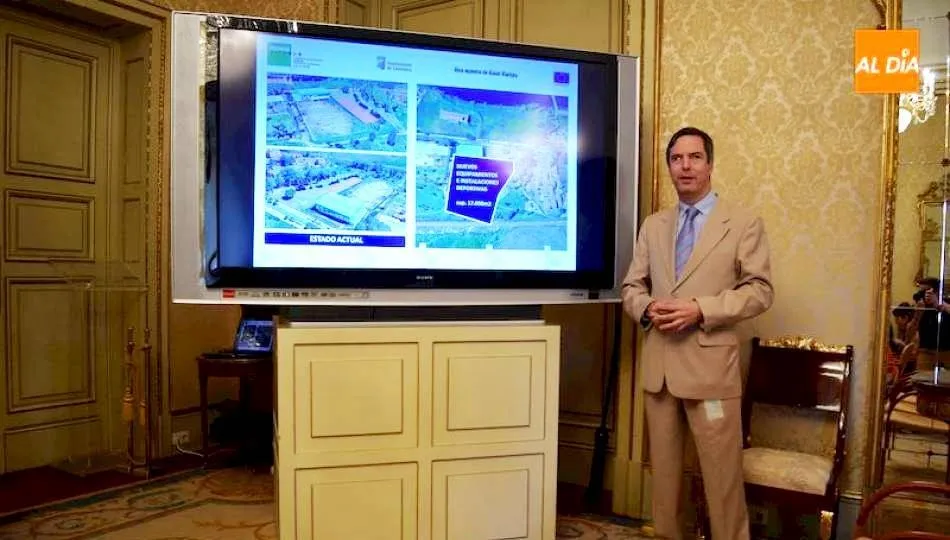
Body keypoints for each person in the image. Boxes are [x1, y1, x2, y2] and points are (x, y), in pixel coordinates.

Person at [621, 126, 774, 540]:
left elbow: (760, 292)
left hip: (711, 374)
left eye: (695, 157)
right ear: (669, 166)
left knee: (723, 484)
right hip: (661, 374)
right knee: (665, 488)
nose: (685, 166)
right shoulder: (653, 225)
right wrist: (648, 308)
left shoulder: (742, 223)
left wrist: (700, 310)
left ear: (710, 164)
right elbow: (632, 287)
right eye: (676, 158)